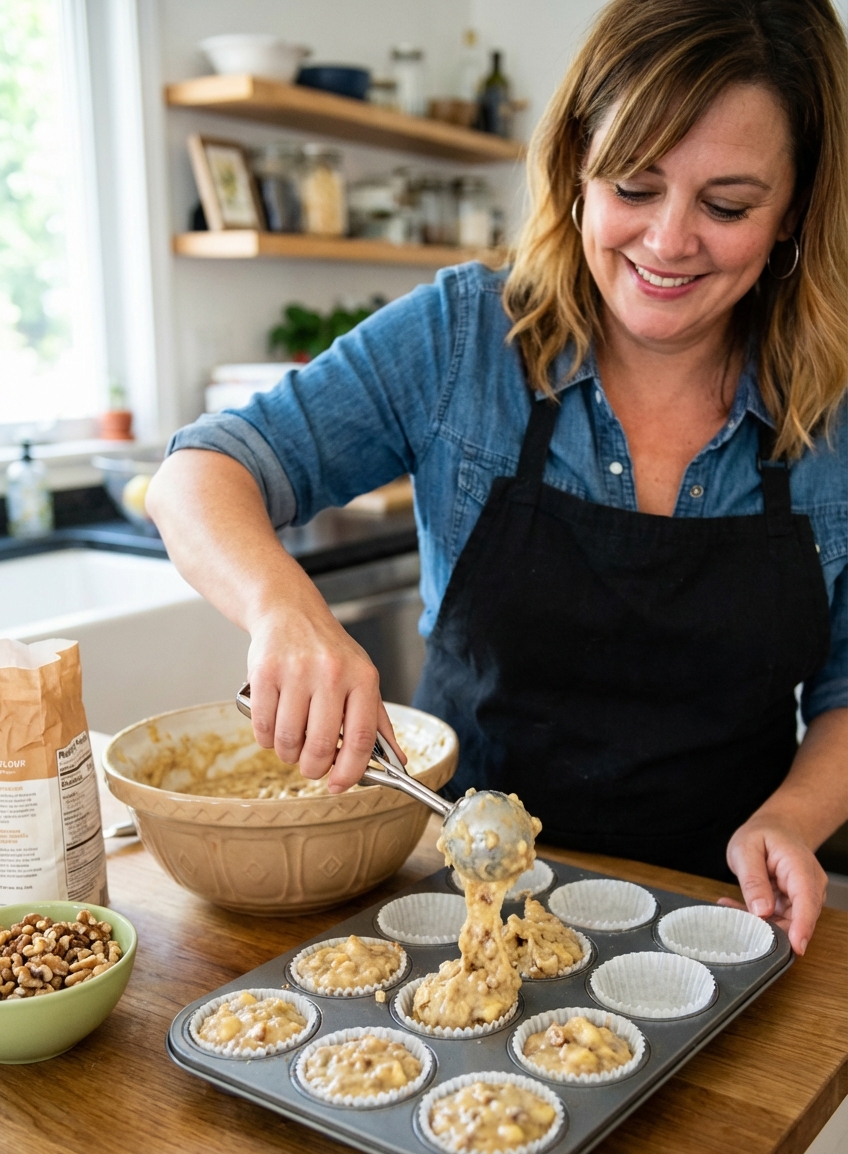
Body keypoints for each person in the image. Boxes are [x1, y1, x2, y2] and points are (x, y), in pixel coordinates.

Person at [148, 0, 847, 956]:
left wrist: (792, 820)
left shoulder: (836, 411)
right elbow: (199, 472)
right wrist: (284, 611)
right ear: (577, 165)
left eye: (726, 206)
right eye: (634, 186)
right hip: (460, 903)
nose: (668, 240)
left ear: (796, 208)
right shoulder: (462, 340)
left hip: (722, 918)